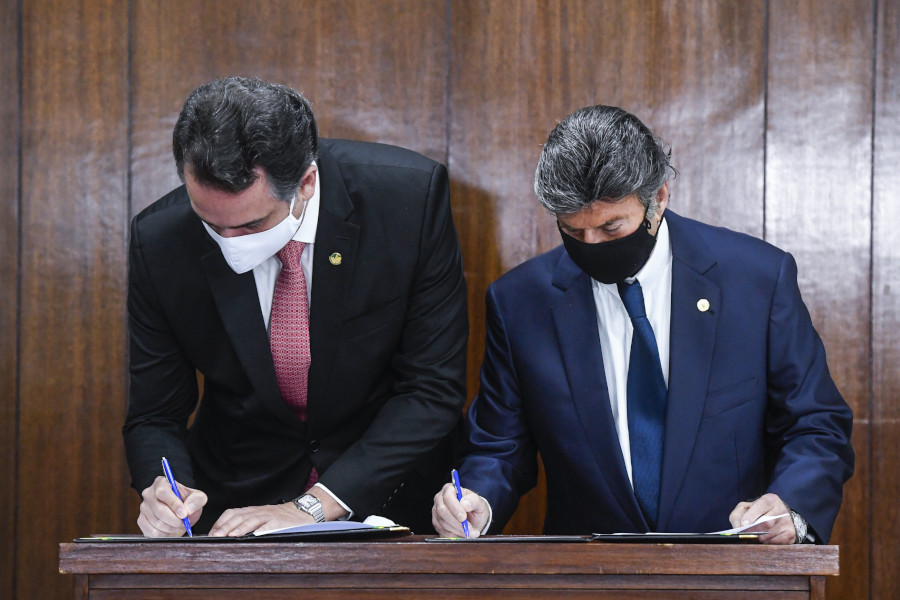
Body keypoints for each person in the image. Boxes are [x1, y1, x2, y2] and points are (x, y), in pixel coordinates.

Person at [432, 105, 853, 544]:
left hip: (731, 568)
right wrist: (478, 500)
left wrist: (791, 502)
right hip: (586, 578)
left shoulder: (756, 279)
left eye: (611, 228)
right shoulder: (520, 301)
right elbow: (500, 446)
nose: (592, 245)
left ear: (659, 198)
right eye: (573, 233)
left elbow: (816, 423)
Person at [124, 76, 467, 537]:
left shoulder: (408, 199)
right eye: (211, 223)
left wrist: (314, 505)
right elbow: (154, 414)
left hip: (389, 496)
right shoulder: (160, 238)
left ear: (306, 182)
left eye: (250, 225)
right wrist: (164, 490)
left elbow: (431, 389)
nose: (230, 244)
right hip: (238, 508)